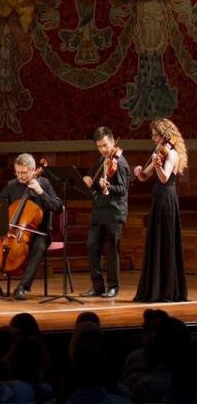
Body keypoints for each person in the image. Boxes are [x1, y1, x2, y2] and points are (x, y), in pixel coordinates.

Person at [0, 153, 62, 300]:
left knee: (39, 247)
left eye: (24, 173)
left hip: (39, 233)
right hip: (14, 232)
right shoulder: (12, 185)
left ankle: (23, 287)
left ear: (33, 171)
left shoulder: (44, 184)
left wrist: (41, 192)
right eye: (17, 172)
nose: (20, 176)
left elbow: (58, 207)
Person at [133, 118, 188, 302]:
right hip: (157, 199)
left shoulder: (171, 154)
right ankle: (154, 288)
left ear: (164, 134)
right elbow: (144, 176)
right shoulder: (159, 152)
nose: (153, 137)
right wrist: (139, 172)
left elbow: (164, 178)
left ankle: (168, 290)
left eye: (155, 134)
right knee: (156, 239)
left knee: (166, 240)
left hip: (167, 198)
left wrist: (157, 166)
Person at [80, 127, 130, 299]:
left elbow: (123, 189)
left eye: (105, 145)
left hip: (115, 212)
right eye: (99, 146)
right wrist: (88, 181)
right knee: (91, 246)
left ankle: (113, 287)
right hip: (99, 211)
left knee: (111, 250)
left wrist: (109, 186)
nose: (103, 149)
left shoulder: (120, 162)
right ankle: (97, 286)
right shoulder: (101, 160)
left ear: (113, 141)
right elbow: (93, 181)